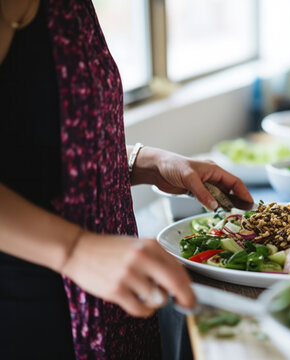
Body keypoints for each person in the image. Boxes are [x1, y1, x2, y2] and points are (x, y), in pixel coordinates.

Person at [0, 0, 254, 358]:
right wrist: (75, 250)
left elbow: (36, 149)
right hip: (29, 310)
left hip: (107, 301)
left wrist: (149, 162)